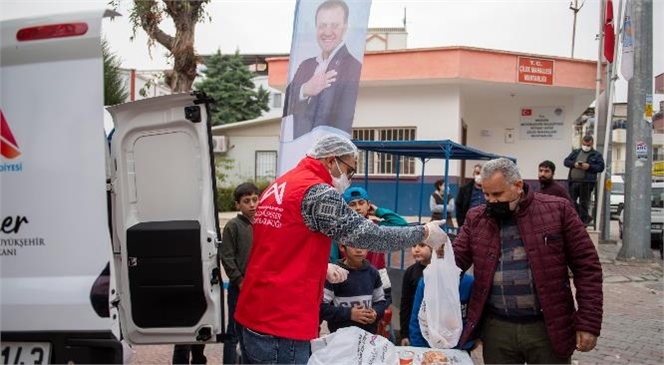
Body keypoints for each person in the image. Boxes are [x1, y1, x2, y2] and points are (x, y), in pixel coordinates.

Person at [234, 134, 447, 364]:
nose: (350, 179)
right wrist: (423, 233)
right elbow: (368, 235)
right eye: (350, 170)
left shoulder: (280, 185)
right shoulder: (316, 191)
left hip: (253, 311)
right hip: (281, 321)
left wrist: (319, 267)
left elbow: (279, 244)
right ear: (331, 160)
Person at [449, 158, 603, 364]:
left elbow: (587, 267)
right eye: (486, 194)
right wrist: (438, 254)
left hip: (547, 328)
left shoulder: (557, 210)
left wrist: (588, 323)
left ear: (518, 186)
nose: (491, 201)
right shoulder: (477, 219)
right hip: (497, 330)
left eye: (497, 194)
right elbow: (455, 262)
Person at [284, 0, 363, 139]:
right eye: (322, 25)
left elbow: (344, 116)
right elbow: (286, 105)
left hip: (328, 153)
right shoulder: (305, 65)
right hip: (299, 148)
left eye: (334, 25)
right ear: (315, 27)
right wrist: (305, 89)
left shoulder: (352, 67)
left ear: (345, 27)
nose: (327, 32)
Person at [219, 182, 259, 365]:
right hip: (240, 288)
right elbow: (227, 257)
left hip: (260, 288)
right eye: (246, 201)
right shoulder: (233, 226)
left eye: (255, 199)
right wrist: (239, 281)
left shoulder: (263, 224)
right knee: (234, 332)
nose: (252, 204)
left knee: (256, 331)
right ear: (238, 205)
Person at [320, 243, 387, 334]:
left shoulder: (373, 273)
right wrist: (350, 314)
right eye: (353, 244)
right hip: (340, 339)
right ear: (342, 247)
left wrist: (375, 313)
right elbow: (322, 308)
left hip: (367, 337)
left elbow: (381, 302)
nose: (359, 250)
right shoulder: (335, 274)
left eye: (363, 244)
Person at [408, 273, 475, 351]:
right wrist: (419, 348)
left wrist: (464, 345)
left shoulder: (469, 283)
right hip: (428, 345)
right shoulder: (426, 281)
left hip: (459, 347)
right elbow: (416, 318)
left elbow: (473, 318)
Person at [564, 135, 605, 225]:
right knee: (571, 201)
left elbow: (601, 167)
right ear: (581, 142)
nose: (586, 146)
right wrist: (574, 164)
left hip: (586, 183)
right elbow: (566, 161)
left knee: (584, 202)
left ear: (591, 143)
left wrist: (589, 167)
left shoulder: (596, 155)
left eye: (588, 145)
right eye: (584, 144)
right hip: (573, 181)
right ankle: (580, 218)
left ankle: (583, 221)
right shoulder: (576, 152)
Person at [399, 242, 433, 346]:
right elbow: (405, 304)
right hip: (416, 327)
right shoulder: (410, 272)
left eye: (422, 245)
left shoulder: (440, 271)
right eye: (414, 245)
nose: (416, 249)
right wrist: (404, 334)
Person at [455, 164, 485, 228]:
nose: (479, 176)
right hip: (468, 224)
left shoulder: (490, 190)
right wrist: (461, 223)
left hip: (484, 224)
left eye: (482, 174)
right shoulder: (464, 190)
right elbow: (459, 206)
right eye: (477, 173)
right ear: (473, 174)